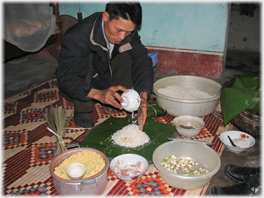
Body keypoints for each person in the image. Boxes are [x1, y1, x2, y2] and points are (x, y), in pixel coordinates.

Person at [56, 2, 154, 130]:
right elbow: (66, 78)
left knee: (128, 54)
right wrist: (97, 94)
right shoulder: (77, 36)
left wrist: (143, 96)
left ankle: (119, 95)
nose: (122, 36)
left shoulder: (127, 34)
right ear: (106, 16)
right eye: (119, 30)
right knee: (87, 58)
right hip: (85, 82)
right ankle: (82, 109)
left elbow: (142, 61)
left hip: (105, 72)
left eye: (128, 32)